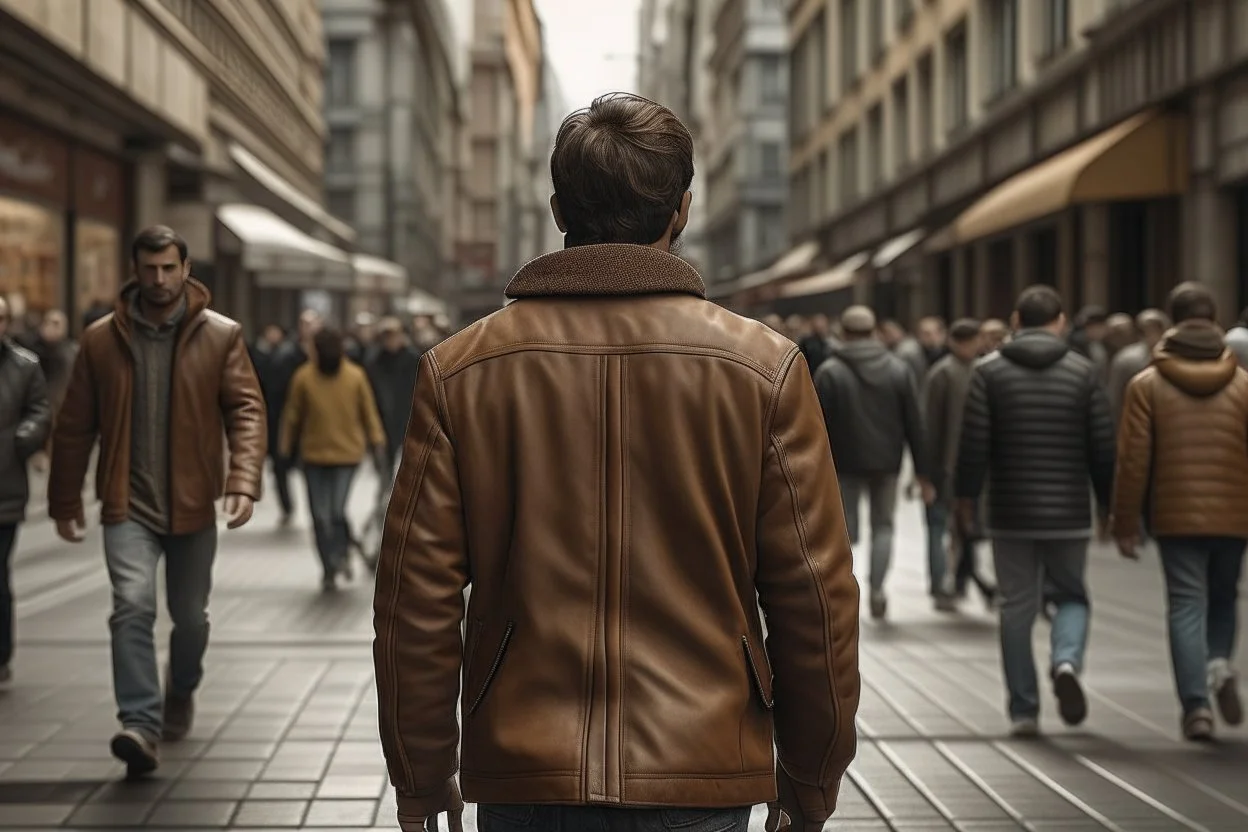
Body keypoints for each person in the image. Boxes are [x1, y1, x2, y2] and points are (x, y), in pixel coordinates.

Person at [373, 93, 860, 832]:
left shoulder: (461, 368)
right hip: (703, 762)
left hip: (524, 764)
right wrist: (813, 771)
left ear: (558, 208)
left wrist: (421, 769)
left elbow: (415, 596)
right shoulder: (762, 368)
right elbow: (814, 597)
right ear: (684, 210)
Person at [48, 226, 267, 777]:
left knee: (190, 619)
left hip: (194, 503)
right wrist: (64, 498)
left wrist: (242, 479)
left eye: (169, 268)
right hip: (128, 504)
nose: (160, 279)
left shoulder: (221, 335)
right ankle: (139, 725)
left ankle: (182, 688)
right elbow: (74, 425)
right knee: (132, 606)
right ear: (135, 269)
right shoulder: (100, 339)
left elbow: (245, 410)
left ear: (186, 267)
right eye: (149, 269)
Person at [955, 285, 1115, 737]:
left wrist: (965, 500)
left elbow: (973, 447)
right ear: (1061, 321)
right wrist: (1108, 505)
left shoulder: (988, 373)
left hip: (1010, 511)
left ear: (1015, 321)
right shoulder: (1083, 372)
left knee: (1016, 606)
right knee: (1071, 595)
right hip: (1068, 512)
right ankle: (1065, 661)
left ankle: (1024, 708)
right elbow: (1103, 447)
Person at [1111, 282, 1248, 741]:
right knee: (1225, 597)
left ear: (1171, 321)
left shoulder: (1146, 384)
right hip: (1235, 513)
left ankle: (1196, 707)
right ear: (1215, 320)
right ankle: (1218, 665)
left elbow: (1133, 460)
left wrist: (1124, 523)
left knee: (1186, 604)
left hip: (1174, 515)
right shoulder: (1245, 385)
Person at [815, 305, 932, 620]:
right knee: (884, 526)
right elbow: (915, 423)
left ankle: (843, 592)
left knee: (843, 531)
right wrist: (923, 472)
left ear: (845, 333)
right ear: (874, 332)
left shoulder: (830, 372)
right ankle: (878, 589)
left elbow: (816, 427)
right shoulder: (897, 369)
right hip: (887, 462)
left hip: (843, 464)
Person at [281, 327, 386, 591]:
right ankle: (329, 565)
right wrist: (284, 448)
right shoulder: (304, 378)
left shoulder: (355, 377)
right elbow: (292, 415)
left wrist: (377, 443)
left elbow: (368, 412)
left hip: (345, 455)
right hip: (315, 456)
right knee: (319, 515)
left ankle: (340, 555)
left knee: (335, 512)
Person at [0, 296, 51, 685]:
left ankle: (1, 655)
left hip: (5, 487)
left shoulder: (24, 365)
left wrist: (28, 435)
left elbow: (39, 409)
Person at [923, 319, 984, 612]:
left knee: (961, 527)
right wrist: (926, 474)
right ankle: (940, 584)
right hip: (945, 468)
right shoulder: (943, 374)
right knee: (940, 527)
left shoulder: (977, 371)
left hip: (966, 465)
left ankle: (958, 579)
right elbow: (931, 427)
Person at [364, 317, 422, 476]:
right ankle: (385, 490)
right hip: (383, 416)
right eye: (387, 336)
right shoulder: (375, 360)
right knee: (384, 462)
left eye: (394, 335)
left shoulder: (413, 358)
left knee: (410, 462)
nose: (391, 340)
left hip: (407, 415)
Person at [1106, 309, 1171, 422]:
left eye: (1157, 330)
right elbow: (1116, 396)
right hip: (1135, 417)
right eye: (1148, 330)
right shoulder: (1126, 359)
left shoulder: (1174, 356)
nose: (1153, 335)